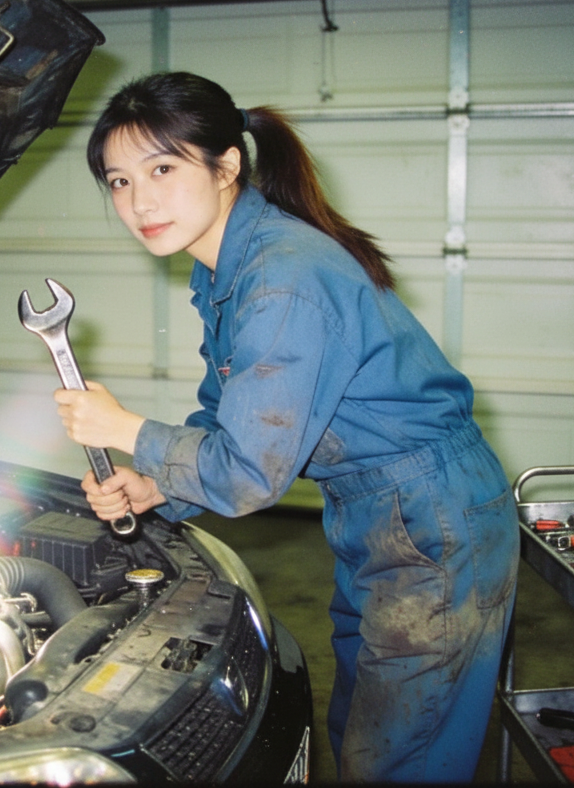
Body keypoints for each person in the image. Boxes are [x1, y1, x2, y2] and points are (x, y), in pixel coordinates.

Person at [52, 71, 519, 783]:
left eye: (163, 168)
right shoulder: (225, 270)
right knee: (366, 723)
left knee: (403, 754)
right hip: (380, 514)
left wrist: (124, 427)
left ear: (227, 164)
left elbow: (248, 473)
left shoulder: (281, 277)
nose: (140, 200)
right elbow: (224, 415)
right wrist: (155, 489)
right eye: (118, 182)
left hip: (432, 516)